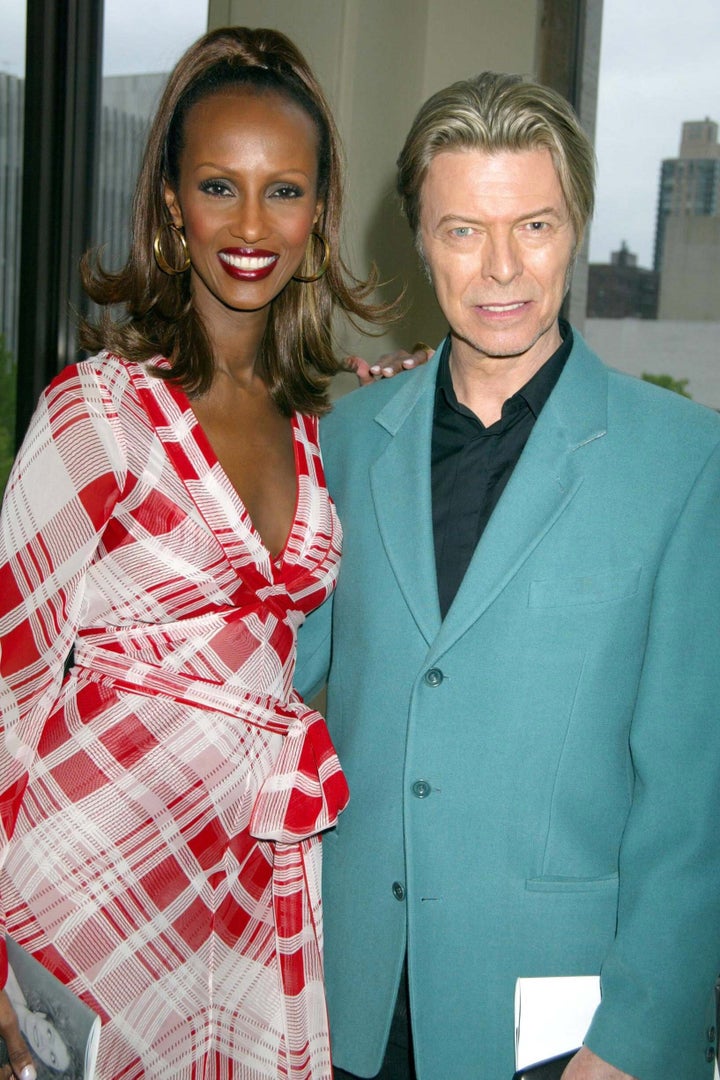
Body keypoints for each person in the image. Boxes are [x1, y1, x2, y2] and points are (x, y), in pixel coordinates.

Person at [295, 71, 720, 1079]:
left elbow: (693, 801)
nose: (501, 269)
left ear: (574, 227)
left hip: (567, 1037)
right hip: (343, 1008)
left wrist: (635, 1043)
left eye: (533, 225)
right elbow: (256, 689)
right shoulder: (345, 443)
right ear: (419, 239)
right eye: (461, 231)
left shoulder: (683, 462)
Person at [0, 25, 401, 1080]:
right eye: (219, 185)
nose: (251, 224)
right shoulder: (96, 413)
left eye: (285, 191)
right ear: (173, 202)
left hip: (251, 890)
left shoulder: (326, 430)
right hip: (91, 892)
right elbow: (7, 683)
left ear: (319, 211)